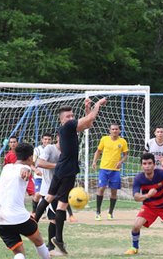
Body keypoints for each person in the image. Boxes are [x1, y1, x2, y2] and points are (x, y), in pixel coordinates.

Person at [35, 98, 107, 256]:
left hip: (61, 168)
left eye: (72, 115)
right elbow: (90, 119)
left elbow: (88, 124)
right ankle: (58, 239)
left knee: (48, 197)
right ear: (62, 119)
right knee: (61, 205)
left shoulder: (68, 129)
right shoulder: (68, 126)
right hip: (68, 170)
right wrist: (97, 105)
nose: (71, 118)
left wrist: (87, 108)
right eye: (68, 116)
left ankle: (33, 222)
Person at [0, 141, 51, 259]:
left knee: (19, 254)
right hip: (19, 218)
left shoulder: (6, 168)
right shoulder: (25, 169)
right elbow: (26, 169)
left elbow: (23, 167)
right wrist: (28, 169)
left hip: (1, 220)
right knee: (39, 241)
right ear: (30, 157)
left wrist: (27, 168)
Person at [91, 123, 129, 220]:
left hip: (115, 170)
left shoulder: (123, 142)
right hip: (104, 168)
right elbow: (98, 151)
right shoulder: (104, 139)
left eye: (116, 129)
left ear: (119, 130)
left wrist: (120, 162)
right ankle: (98, 212)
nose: (115, 131)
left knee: (114, 192)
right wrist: (94, 162)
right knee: (101, 188)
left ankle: (110, 212)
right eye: (113, 129)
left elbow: (125, 155)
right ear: (110, 130)